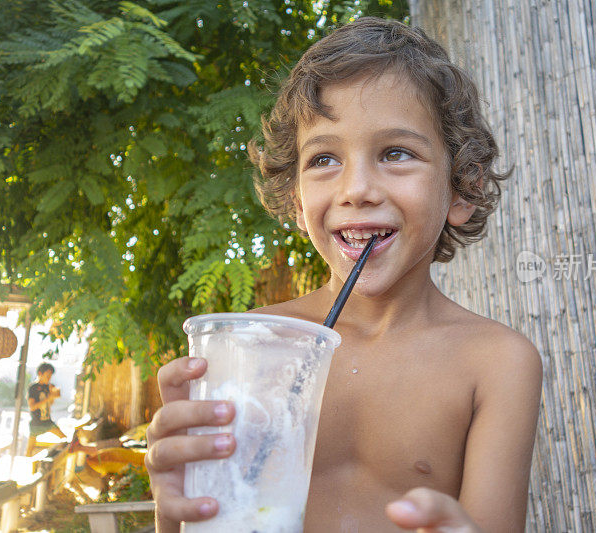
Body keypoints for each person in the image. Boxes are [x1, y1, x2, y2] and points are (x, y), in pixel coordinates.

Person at [146, 17, 543, 532]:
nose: (357, 189)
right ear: (294, 198)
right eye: (325, 158)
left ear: (462, 189)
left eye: (396, 153)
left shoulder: (496, 363)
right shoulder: (253, 348)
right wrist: (175, 508)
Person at [26, 362, 66, 456]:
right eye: (47, 375)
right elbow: (32, 407)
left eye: (50, 376)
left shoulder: (48, 386)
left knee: (65, 440)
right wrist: (49, 398)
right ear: (40, 374)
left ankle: (56, 457)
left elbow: (50, 404)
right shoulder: (33, 388)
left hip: (48, 421)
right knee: (30, 449)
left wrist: (53, 396)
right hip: (36, 422)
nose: (49, 378)